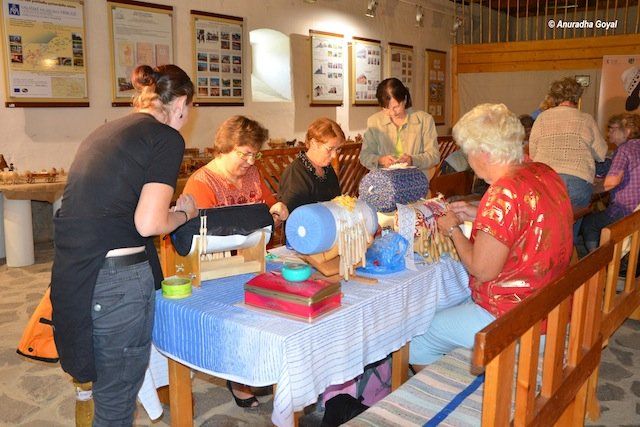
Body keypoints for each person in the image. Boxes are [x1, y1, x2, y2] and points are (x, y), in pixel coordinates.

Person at [51, 64, 197, 425]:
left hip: (80, 273)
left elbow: (109, 205)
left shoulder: (107, 130)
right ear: (180, 102)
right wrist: (184, 215)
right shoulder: (166, 137)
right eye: (189, 107)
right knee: (116, 401)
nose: (187, 115)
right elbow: (148, 223)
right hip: (118, 281)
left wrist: (164, 211)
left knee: (104, 390)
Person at [408, 103, 573, 367]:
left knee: (417, 340)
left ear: (483, 153)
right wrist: (480, 214)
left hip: (515, 319)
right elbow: (530, 220)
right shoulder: (543, 172)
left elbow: (482, 269)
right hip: (551, 307)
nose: (470, 163)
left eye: (468, 153)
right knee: (450, 308)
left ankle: (455, 400)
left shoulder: (503, 192)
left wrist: (451, 229)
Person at [182, 115, 288, 408]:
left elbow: (266, 203)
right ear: (224, 148)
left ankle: (260, 367)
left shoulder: (251, 174)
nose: (251, 161)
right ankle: (239, 375)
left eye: (255, 154)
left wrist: (276, 207)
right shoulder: (202, 182)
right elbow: (202, 241)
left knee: (277, 302)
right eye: (244, 154)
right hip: (215, 270)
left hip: (250, 260)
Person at [529, 77, 608, 212]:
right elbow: (601, 154)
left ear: (554, 96)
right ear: (577, 96)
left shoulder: (542, 118)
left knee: (547, 228)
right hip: (577, 181)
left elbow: (533, 154)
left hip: (546, 181)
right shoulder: (586, 119)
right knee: (571, 228)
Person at [581, 113, 640, 251]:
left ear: (627, 131)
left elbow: (612, 182)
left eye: (612, 129)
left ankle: (598, 266)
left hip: (626, 210)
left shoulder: (624, 150)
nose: (608, 133)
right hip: (637, 211)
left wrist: (591, 190)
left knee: (589, 224)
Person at [359, 77, 439, 177]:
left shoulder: (424, 120)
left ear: (404, 99)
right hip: (385, 184)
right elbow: (364, 156)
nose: (392, 112)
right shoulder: (374, 121)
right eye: (386, 108)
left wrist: (413, 160)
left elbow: (434, 156)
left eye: (396, 107)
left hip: (415, 182)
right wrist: (380, 160)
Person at [278, 117, 345, 213]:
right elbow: (292, 215)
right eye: (330, 149)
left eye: (337, 149)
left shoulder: (327, 169)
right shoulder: (296, 173)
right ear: (314, 143)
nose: (334, 155)